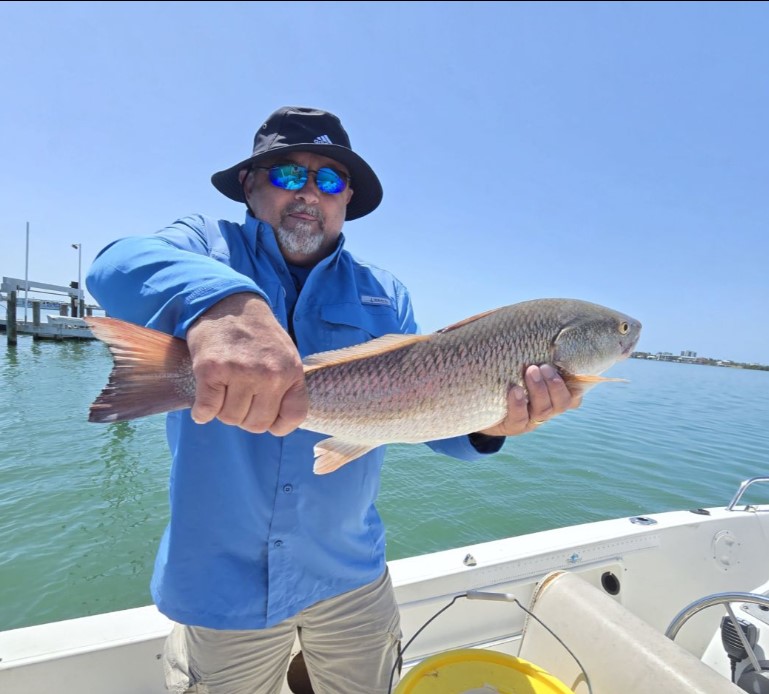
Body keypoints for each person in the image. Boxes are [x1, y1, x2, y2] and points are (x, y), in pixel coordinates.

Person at [86, 105, 580, 694]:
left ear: (346, 199)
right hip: (222, 582)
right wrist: (221, 305)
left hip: (351, 574)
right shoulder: (204, 245)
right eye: (288, 174)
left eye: (328, 180)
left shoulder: (384, 293)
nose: (308, 193)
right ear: (250, 186)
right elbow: (113, 267)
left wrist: (492, 423)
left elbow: (425, 413)